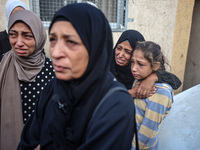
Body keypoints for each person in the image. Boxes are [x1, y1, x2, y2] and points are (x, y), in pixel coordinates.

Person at [17, 3, 135, 150]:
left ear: (94, 46)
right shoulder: (52, 88)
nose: (55, 53)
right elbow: (27, 143)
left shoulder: (117, 104)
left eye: (71, 42)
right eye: (53, 40)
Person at [0, 10, 55, 150]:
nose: (18, 43)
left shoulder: (52, 70)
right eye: (13, 35)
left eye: (27, 36)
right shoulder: (2, 64)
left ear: (39, 36)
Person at [110, 30, 181, 98]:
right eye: (119, 48)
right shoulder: (105, 65)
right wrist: (131, 93)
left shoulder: (140, 71)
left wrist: (153, 77)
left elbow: (176, 82)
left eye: (128, 52)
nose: (120, 55)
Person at [131, 41, 173, 150]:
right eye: (132, 62)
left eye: (140, 64)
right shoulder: (139, 80)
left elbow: (147, 131)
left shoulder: (161, 93)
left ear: (155, 66)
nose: (134, 68)